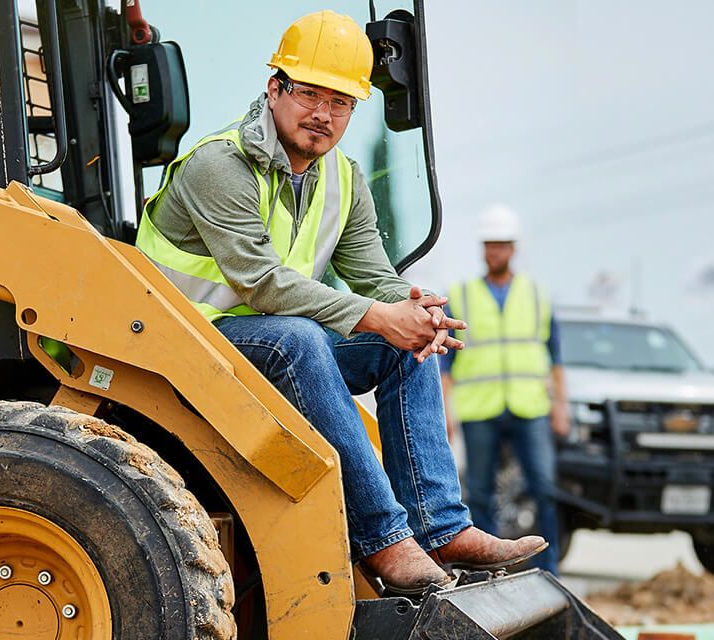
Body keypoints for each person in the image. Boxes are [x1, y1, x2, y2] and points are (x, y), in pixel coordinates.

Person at [135, 10, 546, 595]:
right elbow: (263, 284)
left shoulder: (343, 180)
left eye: (342, 102)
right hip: (182, 341)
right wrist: (382, 315)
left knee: (404, 346)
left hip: (262, 340)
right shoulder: (218, 166)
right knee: (302, 338)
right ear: (274, 89)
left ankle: (440, 528)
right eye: (309, 95)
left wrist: (415, 309)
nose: (323, 115)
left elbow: (375, 278)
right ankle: (383, 541)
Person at [440, 204, 569, 575]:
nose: (493, 251)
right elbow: (445, 363)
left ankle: (549, 571)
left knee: (544, 488)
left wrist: (561, 406)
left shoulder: (537, 295)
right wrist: (446, 410)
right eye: (488, 245)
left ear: (513, 248)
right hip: (480, 408)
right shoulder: (461, 295)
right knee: (479, 492)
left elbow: (554, 357)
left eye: (500, 244)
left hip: (530, 408)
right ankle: (487, 572)